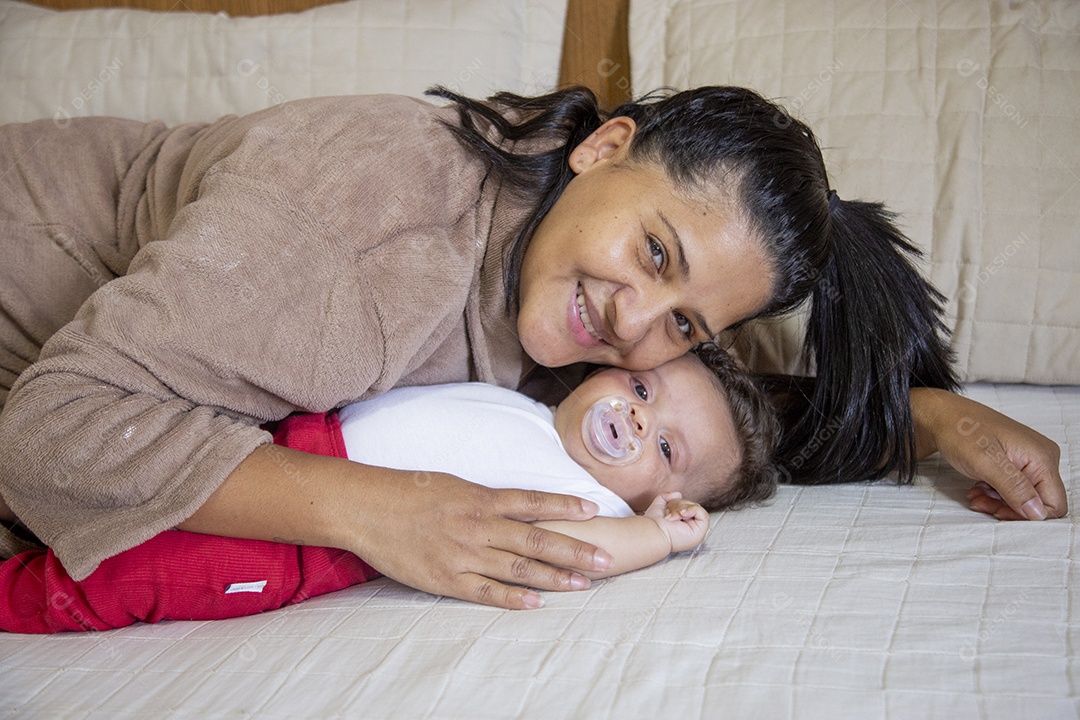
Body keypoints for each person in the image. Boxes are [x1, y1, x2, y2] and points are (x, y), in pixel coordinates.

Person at [0, 85, 1065, 612]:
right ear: (606, 149)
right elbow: (54, 429)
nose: (634, 328)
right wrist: (381, 510)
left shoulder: (561, 247)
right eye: (655, 250)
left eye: (686, 324)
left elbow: (688, 425)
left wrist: (925, 415)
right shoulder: (361, 243)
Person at [0, 346, 780, 632]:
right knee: (143, 485)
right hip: (287, 454)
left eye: (667, 446)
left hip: (309, 546)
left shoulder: (589, 497)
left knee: (128, 578)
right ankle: (29, 509)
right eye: (642, 388)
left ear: (658, 495)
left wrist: (661, 535)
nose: (637, 420)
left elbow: (588, 553)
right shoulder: (529, 398)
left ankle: (23, 594)